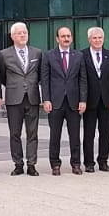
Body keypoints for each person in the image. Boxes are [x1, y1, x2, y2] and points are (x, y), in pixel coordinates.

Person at [41, 25, 87, 174]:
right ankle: (55, 164)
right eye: (63, 36)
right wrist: (46, 99)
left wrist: (83, 100)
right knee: (55, 135)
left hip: (74, 102)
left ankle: (76, 164)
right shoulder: (48, 55)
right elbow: (45, 79)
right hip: (55, 102)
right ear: (57, 39)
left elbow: (83, 79)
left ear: (71, 38)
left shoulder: (78, 56)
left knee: (75, 136)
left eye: (68, 36)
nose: (66, 38)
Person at [0, 22, 41, 176]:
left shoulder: (37, 53)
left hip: (32, 97)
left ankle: (31, 164)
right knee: (15, 133)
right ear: (12, 36)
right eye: (19, 33)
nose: (23, 35)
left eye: (25, 32)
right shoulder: (4, 54)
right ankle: (18, 164)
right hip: (14, 98)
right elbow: (2, 76)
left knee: (32, 133)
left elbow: (39, 74)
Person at [81, 27, 109, 173]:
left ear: (104, 39)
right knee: (89, 133)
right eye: (94, 38)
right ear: (89, 39)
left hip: (106, 101)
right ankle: (89, 162)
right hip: (89, 100)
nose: (97, 40)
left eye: (100, 37)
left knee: (105, 133)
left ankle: (103, 161)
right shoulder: (82, 55)